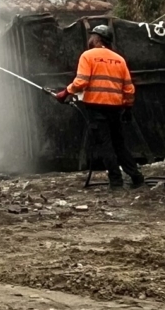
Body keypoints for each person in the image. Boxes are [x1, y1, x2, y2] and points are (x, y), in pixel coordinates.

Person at [55, 24, 145, 188]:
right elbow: (129, 88)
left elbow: (81, 81)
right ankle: (137, 177)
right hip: (116, 108)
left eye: (92, 36)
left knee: (105, 144)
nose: (90, 39)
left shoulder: (88, 56)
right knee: (119, 143)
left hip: (96, 107)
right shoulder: (119, 59)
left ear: (97, 38)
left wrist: (65, 93)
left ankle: (116, 181)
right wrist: (128, 108)